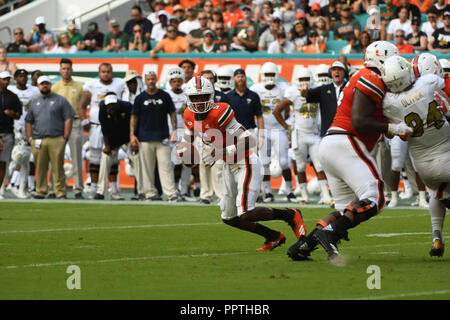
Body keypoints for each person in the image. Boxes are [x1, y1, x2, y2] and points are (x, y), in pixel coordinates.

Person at [287, 41, 406, 262]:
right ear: (381, 59)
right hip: (346, 141)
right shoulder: (372, 77)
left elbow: (368, 117)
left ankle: (305, 245)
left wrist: (389, 126)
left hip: (334, 144)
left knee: (346, 209)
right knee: (376, 196)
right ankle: (329, 234)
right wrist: (392, 127)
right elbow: (359, 121)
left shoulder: (365, 77)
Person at [178, 75, 307, 251]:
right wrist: (185, 153)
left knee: (246, 212)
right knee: (229, 218)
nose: (199, 102)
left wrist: (221, 152)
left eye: (203, 97)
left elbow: (248, 141)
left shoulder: (220, 111)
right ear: (189, 99)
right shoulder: (188, 115)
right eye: (195, 98)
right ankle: (273, 236)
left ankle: (290, 215)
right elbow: (188, 143)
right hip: (227, 165)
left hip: (244, 162)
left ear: (211, 96)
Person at [380, 55, 449, 257]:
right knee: (441, 193)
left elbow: (391, 133)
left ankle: (437, 236)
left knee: (437, 192)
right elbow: (441, 84)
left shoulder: (389, 103)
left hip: (424, 167)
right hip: (446, 154)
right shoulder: (427, 82)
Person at [273, 67, 333, 205]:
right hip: (299, 134)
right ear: (296, 81)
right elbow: (277, 110)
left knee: (320, 165)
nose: (304, 82)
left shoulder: (317, 90)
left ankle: (325, 195)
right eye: (301, 79)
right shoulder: (293, 92)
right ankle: (304, 196)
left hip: (314, 134)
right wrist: (286, 126)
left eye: (306, 79)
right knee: (300, 167)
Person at [130, 71, 180, 202]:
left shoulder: (164, 95)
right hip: (145, 138)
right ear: (145, 81)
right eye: (148, 79)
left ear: (156, 80)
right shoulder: (140, 98)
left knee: (166, 166)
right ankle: (150, 193)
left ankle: (171, 193)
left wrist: (174, 131)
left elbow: (172, 113)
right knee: (147, 169)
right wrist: (132, 135)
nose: (151, 81)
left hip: (162, 137)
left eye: (153, 79)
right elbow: (134, 117)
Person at [249, 62, 296, 203]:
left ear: (276, 75)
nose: (269, 77)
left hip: (278, 129)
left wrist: (287, 117)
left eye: (271, 74)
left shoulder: (283, 87)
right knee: (264, 163)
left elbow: (291, 102)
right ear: (262, 76)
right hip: (262, 130)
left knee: (284, 162)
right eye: (267, 74)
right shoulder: (255, 89)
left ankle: (289, 191)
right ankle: (268, 192)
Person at [78, 63, 125, 199]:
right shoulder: (91, 84)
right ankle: (94, 189)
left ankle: (114, 190)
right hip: (96, 126)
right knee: (95, 158)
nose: (106, 74)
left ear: (112, 72)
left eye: (108, 71)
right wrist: (84, 120)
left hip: (113, 126)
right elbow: (81, 105)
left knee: (113, 158)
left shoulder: (119, 84)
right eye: (103, 71)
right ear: (99, 72)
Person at [25, 75, 74, 199]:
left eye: (46, 83)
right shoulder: (34, 102)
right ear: (38, 86)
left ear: (50, 85)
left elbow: (68, 117)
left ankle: (60, 192)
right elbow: (28, 121)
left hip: (56, 138)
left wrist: (66, 136)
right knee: (40, 167)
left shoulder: (60, 100)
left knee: (58, 167)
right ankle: (40, 191)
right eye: (42, 84)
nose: (44, 85)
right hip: (38, 139)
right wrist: (30, 138)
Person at [51, 59, 84, 199]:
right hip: (58, 124)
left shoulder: (79, 86)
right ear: (60, 70)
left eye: (68, 68)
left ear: (72, 70)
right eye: (63, 68)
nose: (66, 71)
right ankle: (55, 189)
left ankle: (78, 189)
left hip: (75, 122)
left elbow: (83, 106)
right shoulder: (55, 87)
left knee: (77, 157)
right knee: (56, 158)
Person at [7, 69, 40, 198]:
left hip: (29, 128)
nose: (23, 79)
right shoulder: (10, 91)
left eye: (25, 76)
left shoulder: (35, 91)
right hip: (12, 127)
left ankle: (21, 186)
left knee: (25, 158)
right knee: (11, 158)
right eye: (20, 76)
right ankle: (11, 183)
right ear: (15, 78)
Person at [95, 93, 132, 200]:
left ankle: (142, 191)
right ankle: (100, 191)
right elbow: (104, 129)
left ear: (117, 103)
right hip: (112, 139)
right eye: (108, 105)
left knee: (137, 159)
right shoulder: (102, 108)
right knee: (105, 159)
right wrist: (107, 146)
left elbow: (134, 123)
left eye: (112, 104)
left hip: (127, 137)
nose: (110, 107)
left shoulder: (127, 106)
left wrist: (133, 139)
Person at [301, 61, 347, 138]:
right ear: (331, 73)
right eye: (334, 69)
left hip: (345, 132)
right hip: (327, 133)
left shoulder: (350, 88)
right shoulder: (323, 89)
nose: (336, 71)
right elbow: (307, 96)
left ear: (344, 73)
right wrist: (303, 91)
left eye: (339, 69)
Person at [0, 71, 22, 200]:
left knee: (3, 163)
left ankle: (0, 189)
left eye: (7, 79)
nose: (6, 82)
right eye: (3, 79)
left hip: (7, 133)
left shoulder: (12, 96)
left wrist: (12, 114)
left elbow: (19, 114)